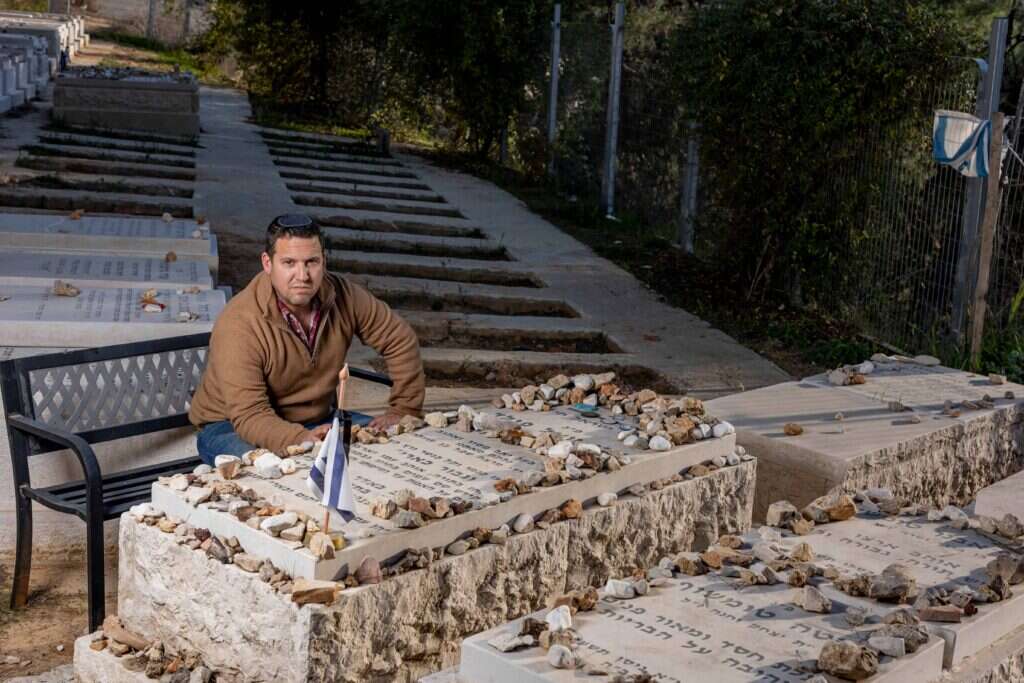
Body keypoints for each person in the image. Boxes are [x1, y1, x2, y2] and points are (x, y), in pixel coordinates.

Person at [189, 214, 425, 464]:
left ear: (323, 261)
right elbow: (250, 414)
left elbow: (400, 339)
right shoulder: (239, 322)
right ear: (268, 263)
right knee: (293, 467)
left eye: (311, 262)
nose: (302, 276)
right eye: (289, 263)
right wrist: (301, 438)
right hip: (230, 425)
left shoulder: (343, 295)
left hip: (319, 418)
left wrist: (404, 409)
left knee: (395, 447)